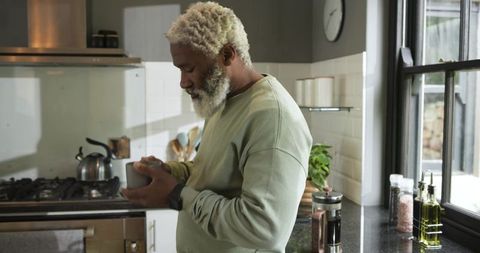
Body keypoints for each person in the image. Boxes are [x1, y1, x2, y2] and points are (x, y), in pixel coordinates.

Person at [122, 2, 312, 252]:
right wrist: (170, 172)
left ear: (227, 55)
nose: (183, 82)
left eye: (189, 69)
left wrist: (178, 195)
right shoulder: (222, 101)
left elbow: (265, 230)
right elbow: (213, 173)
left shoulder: (272, 117)